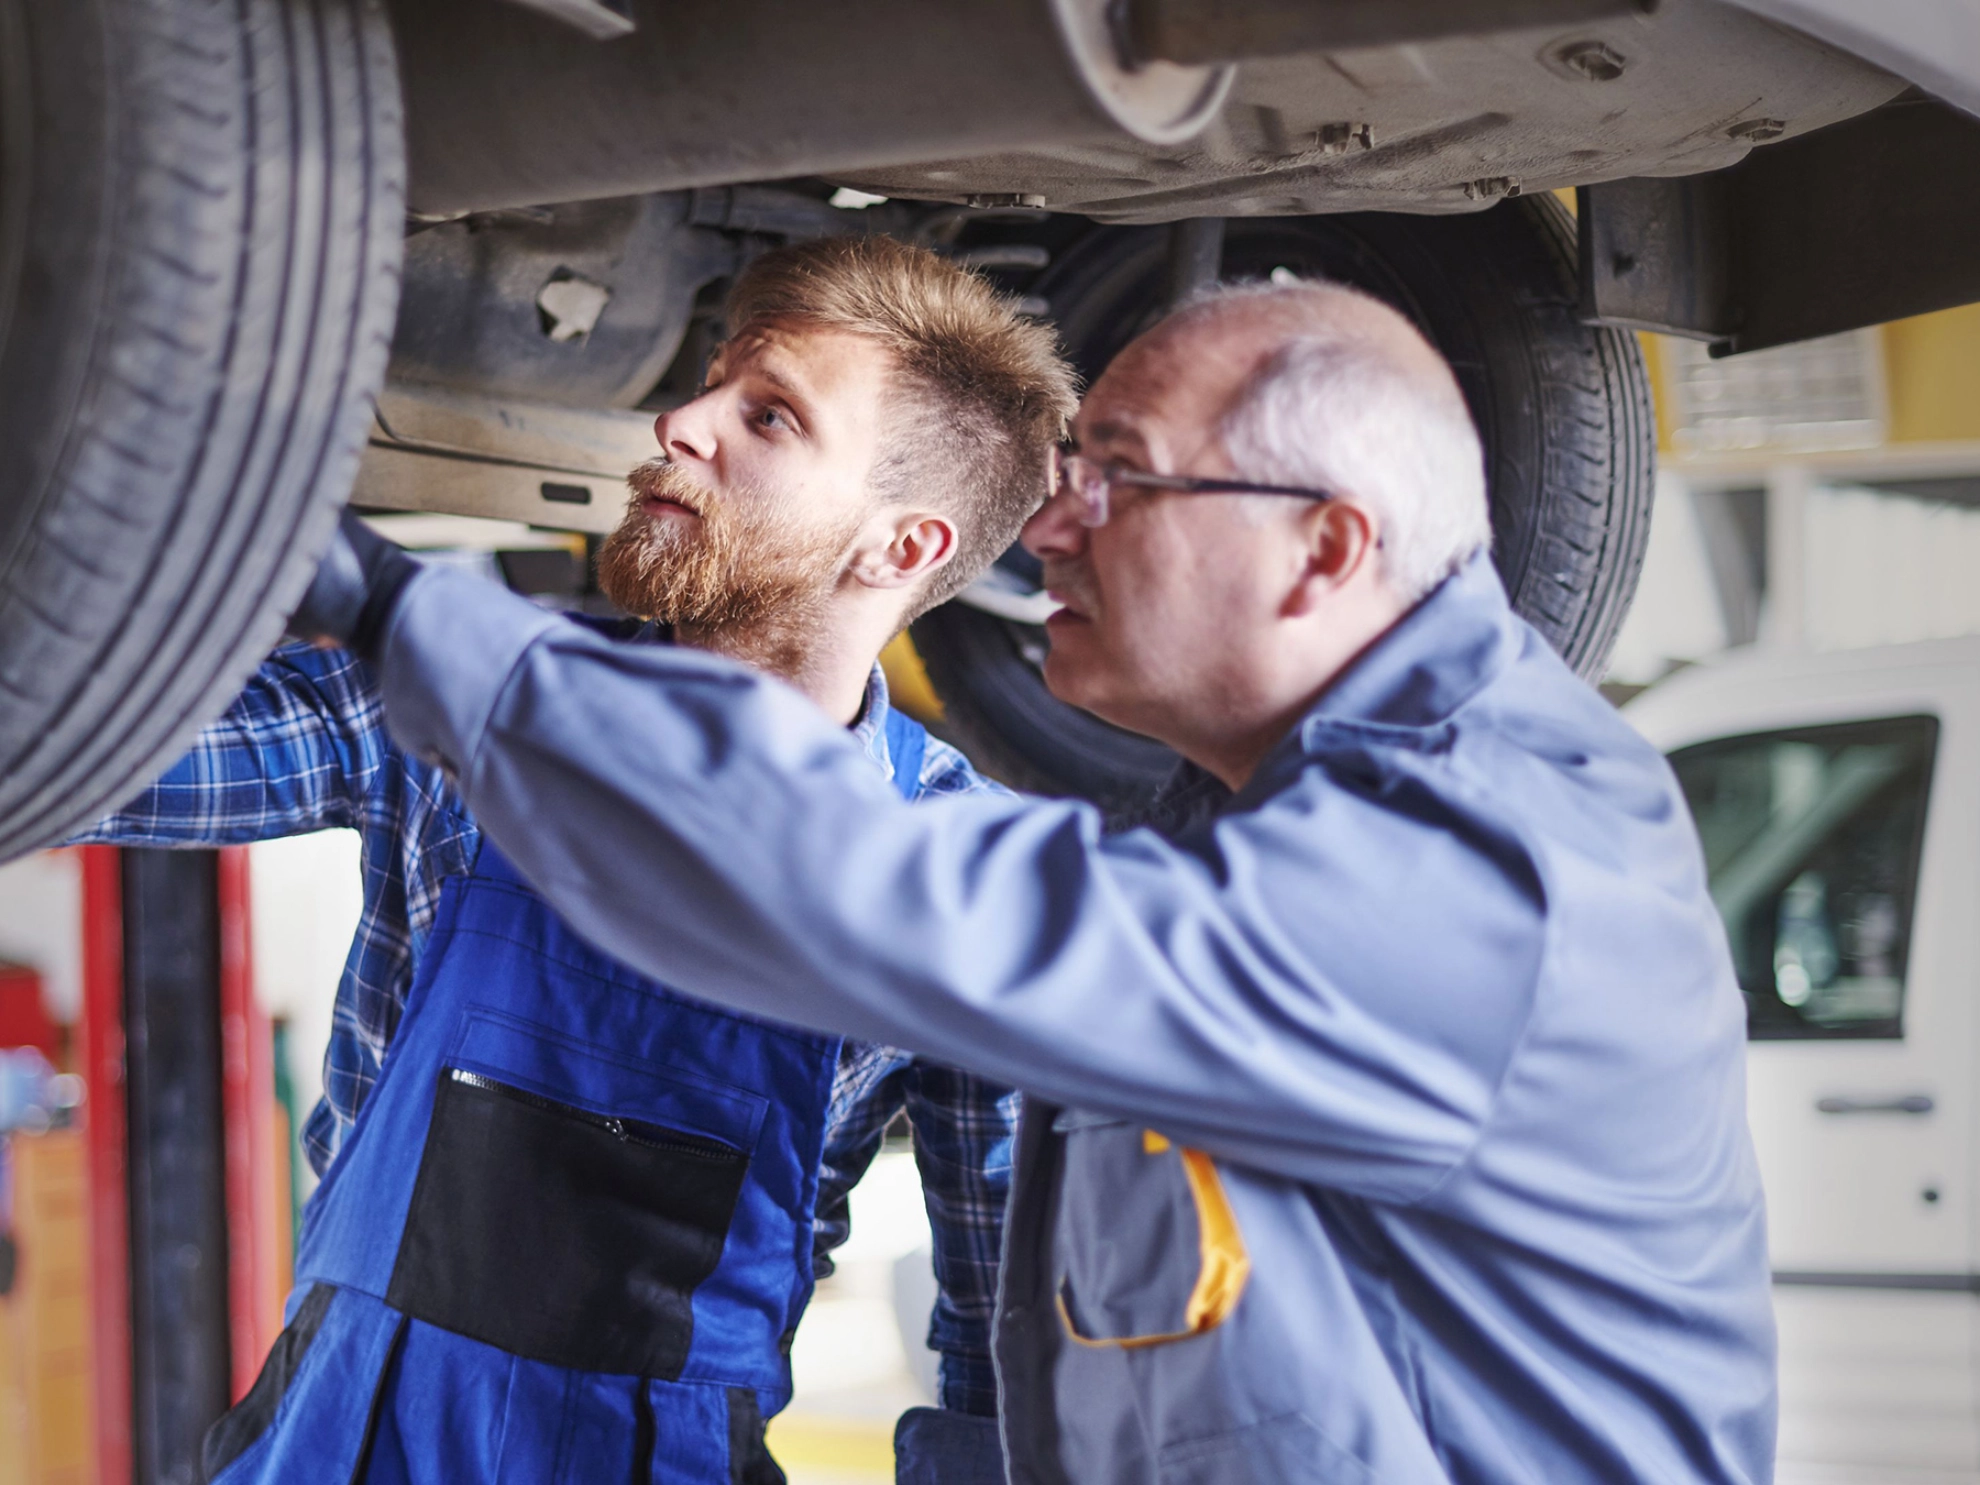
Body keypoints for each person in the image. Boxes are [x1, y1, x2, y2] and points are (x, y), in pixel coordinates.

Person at [299, 276, 1776, 1484]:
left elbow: (875, 885)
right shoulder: (1237, 826)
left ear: (1323, 549)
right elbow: (1045, 1363)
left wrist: (387, 609)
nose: (1051, 529)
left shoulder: (1488, 868)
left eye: (1121, 480)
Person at [78, 236, 1077, 1485]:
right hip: (332, 1436)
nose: (681, 421)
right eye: (712, 382)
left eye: (767, 417)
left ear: (902, 547)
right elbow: (93, 753)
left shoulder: (964, 874)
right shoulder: (471, 682)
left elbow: (1004, 1352)